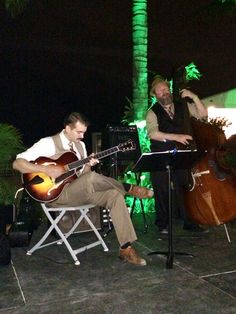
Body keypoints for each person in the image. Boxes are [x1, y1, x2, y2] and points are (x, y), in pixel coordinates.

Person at [13, 112, 154, 266]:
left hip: (78, 191)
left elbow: (82, 178)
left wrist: (87, 165)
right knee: (93, 178)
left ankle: (126, 249)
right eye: (79, 132)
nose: (82, 136)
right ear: (67, 128)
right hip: (55, 195)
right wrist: (46, 170)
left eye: (84, 133)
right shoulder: (48, 143)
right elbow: (17, 164)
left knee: (114, 195)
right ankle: (129, 188)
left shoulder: (81, 146)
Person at [146, 75, 208, 234]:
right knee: (161, 188)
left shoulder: (184, 106)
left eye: (166, 89)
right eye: (160, 90)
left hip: (183, 154)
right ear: (155, 95)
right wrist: (177, 137)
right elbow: (153, 134)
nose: (164, 92)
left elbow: (203, 115)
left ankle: (189, 221)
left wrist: (193, 97)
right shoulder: (152, 112)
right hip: (161, 154)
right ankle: (163, 224)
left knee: (185, 188)